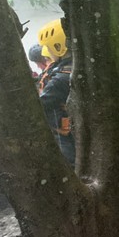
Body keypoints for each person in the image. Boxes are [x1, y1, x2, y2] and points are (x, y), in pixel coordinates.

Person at [36, 19, 77, 237]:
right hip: (68, 131)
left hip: (67, 136)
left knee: (71, 168)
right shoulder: (67, 68)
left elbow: (46, 101)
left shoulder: (61, 75)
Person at [37, 19, 75, 167]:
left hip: (64, 132)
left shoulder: (60, 78)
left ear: (58, 46)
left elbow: (41, 103)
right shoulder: (72, 67)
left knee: (70, 163)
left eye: (49, 47)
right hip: (73, 128)